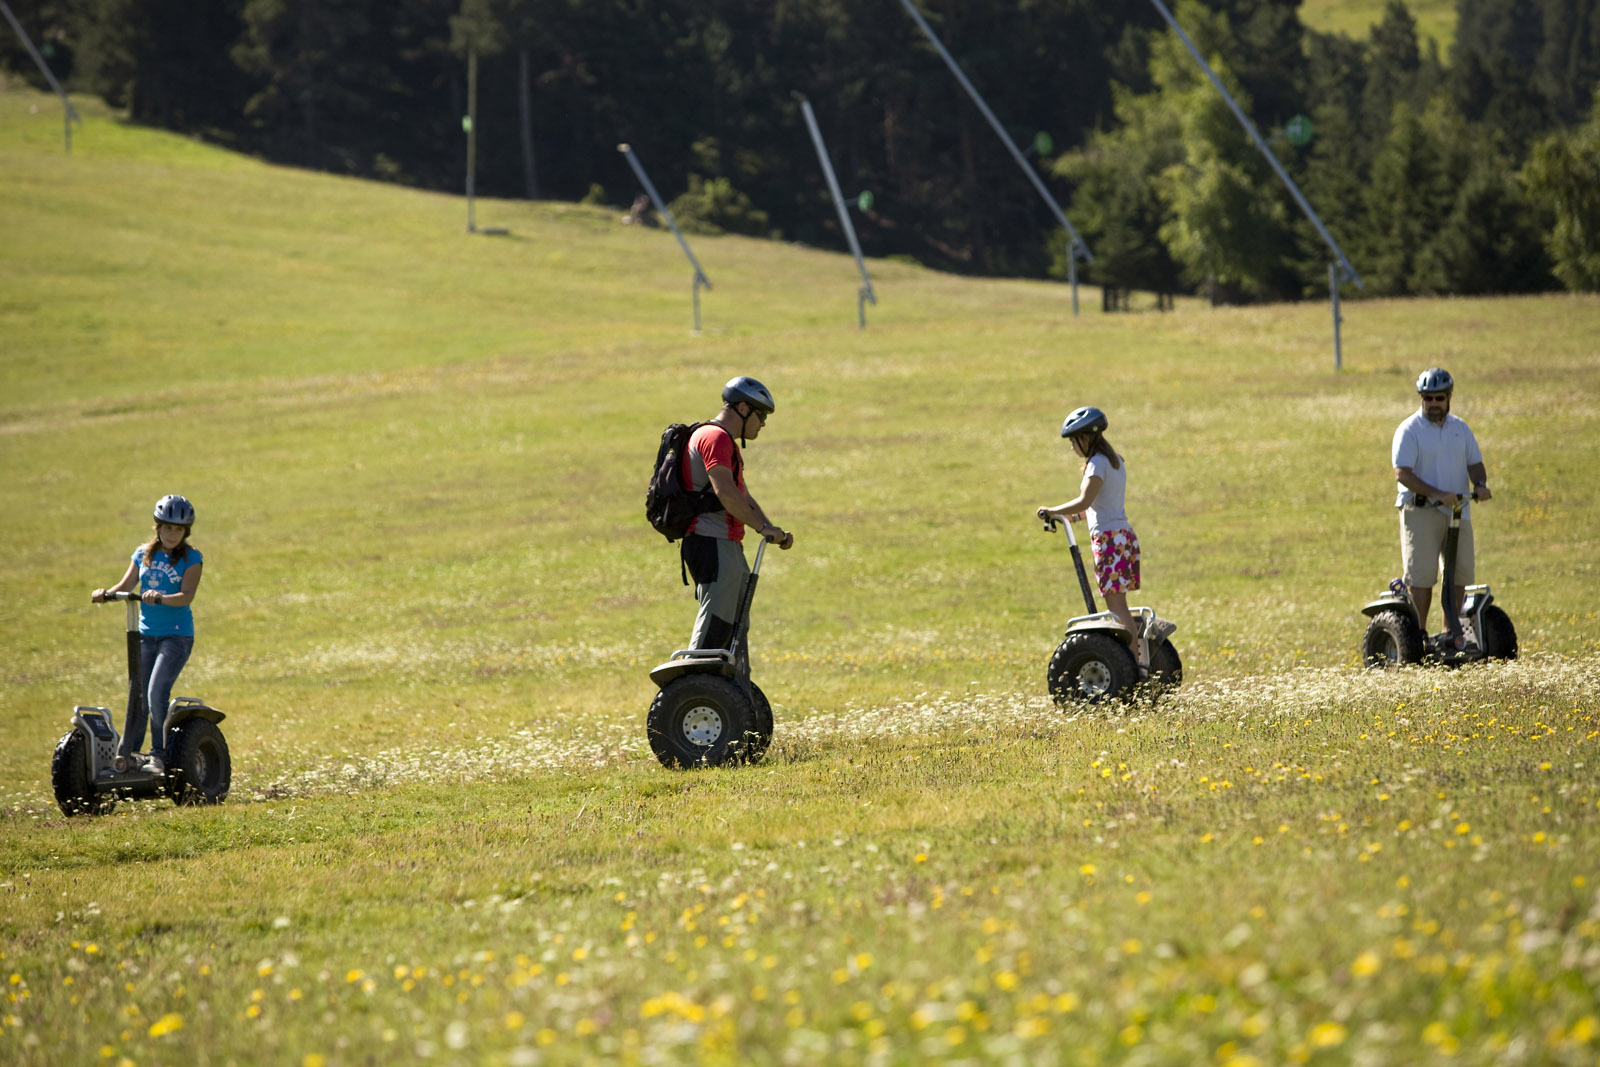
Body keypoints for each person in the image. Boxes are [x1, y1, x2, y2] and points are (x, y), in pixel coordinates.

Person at [1036, 406, 1172, 671]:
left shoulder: (1097, 463)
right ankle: (1138, 659)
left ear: (1085, 438)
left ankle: (1133, 663)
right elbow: (1096, 507)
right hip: (1123, 537)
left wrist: (1052, 510)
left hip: (1109, 541)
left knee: (1116, 605)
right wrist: (1070, 518)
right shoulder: (1115, 460)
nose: (1072, 448)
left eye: (1073, 441)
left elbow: (1085, 500)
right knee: (1119, 603)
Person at [679, 377, 794, 680]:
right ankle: (690, 696)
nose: (763, 424)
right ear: (743, 408)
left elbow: (742, 494)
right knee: (715, 625)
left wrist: (770, 528)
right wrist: (762, 528)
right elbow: (726, 494)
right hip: (710, 541)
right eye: (762, 415)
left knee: (734, 627)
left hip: (725, 543)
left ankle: (730, 694)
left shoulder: (724, 441)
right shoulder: (714, 438)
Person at [90, 495, 205, 774]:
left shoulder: (192, 558)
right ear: (157, 527)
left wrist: (161, 597)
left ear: (185, 532)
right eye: (167, 528)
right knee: (137, 693)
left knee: (155, 692)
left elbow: (186, 596)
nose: (171, 534)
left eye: (177, 530)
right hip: (144, 635)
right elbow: (127, 583)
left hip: (176, 637)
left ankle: (158, 756)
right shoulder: (143, 553)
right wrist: (106, 593)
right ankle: (127, 755)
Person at [1392, 368, 1490, 645]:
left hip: (1458, 511)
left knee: (1459, 574)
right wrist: (1438, 494)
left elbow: (1474, 463)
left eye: (1439, 398)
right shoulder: (1409, 430)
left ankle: (1452, 634)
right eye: (1428, 398)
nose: (1433, 404)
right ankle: (1418, 636)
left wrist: (1480, 484)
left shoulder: (1461, 429)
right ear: (1421, 399)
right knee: (1422, 577)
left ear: (1449, 398)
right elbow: (1402, 473)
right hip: (1420, 511)